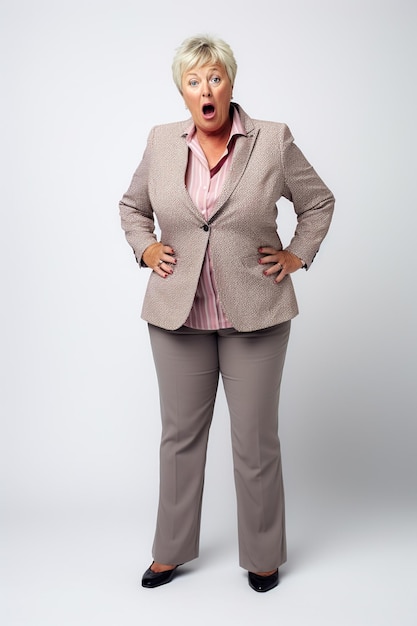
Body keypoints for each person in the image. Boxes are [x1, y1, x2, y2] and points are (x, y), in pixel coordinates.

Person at [119, 34, 334, 593]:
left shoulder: (273, 140)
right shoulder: (161, 142)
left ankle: (263, 555)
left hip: (256, 316)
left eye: (214, 78)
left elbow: (317, 201)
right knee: (179, 437)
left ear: (230, 83)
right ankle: (170, 550)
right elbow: (132, 206)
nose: (205, 89)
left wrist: (296, 254)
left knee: (255, 440)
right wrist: (145, 247)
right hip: (177, 318)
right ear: (183, 92)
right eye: (193, 81)